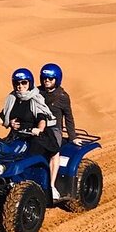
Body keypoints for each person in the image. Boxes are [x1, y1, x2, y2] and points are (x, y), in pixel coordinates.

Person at [38, 63, 82, 200]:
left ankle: (51, 187)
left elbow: (68, 117)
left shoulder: (62, 96)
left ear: (57, 79)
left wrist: (72, 136)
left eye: (50, 79)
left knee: (54, 151)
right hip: (38, 127)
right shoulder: (37, 92)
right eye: (45, 78)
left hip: (54, 129)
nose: (47, 81)